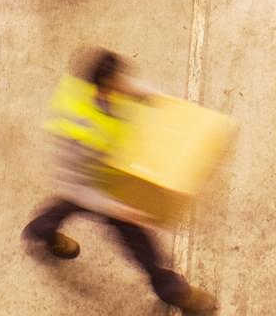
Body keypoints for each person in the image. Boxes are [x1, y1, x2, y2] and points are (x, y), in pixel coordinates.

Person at [22, 49, 218, 314]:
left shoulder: (114, 90)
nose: (128, 86)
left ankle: (40, 229)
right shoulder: (77, 128)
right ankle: (175, 293)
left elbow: (143, 93)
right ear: (102, 90)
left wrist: (164, 102)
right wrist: (118, 208)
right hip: (92, 183)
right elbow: (76, 187)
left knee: (64, 207)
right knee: (138, 241)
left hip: (112, 167)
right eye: (119, 83)